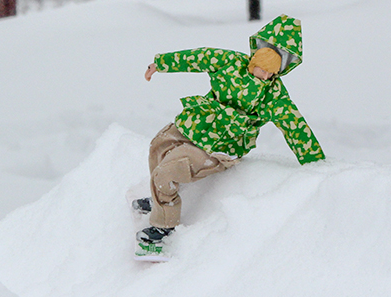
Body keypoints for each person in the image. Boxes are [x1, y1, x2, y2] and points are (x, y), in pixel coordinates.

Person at [136, 14, 324, 247]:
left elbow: (295, 126)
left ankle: (163, 226)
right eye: (260, 68)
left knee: (169, 170)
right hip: (197, 123)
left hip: (222, 146)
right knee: (158, 145)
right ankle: (159, 195)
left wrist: (317, 165)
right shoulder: (230, 62)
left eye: (270, 73)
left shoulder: (274, 95)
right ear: (253, 59)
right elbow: (199, 57)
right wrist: (161, 64)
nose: (264, 76)